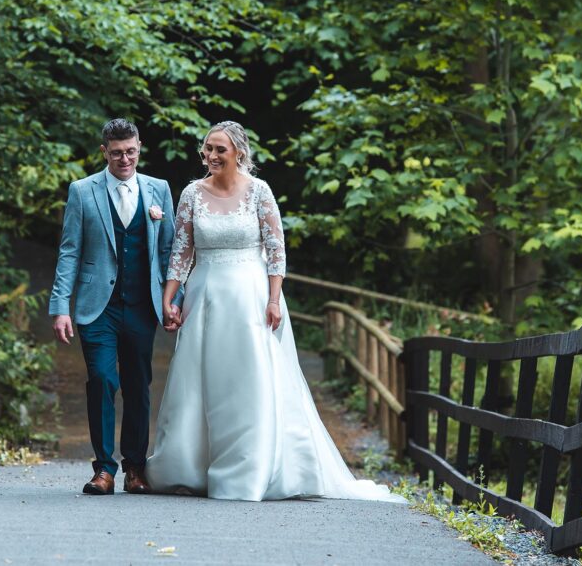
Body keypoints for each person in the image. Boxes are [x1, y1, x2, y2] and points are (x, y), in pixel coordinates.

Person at [146, 121, 405, 502]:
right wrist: (169, 299)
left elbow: (276, 250)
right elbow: (182, 252)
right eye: (207, 148)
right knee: (199, 381)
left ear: (239, 153)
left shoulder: (259, 191)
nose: (211, 155)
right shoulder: (192, 193)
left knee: (247, 378)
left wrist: (273, 299)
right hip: (204, 296)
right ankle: (191, 466)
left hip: (250, 297)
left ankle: (250, 468)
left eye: (219, 149)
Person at [49, 118, 177, 495]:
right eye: (117, 153)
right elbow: (69, 251)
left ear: (140, 148)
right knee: (103, 380)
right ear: (104, 152)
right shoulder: (82, 191)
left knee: (138, 385)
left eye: (131, 152)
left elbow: (169, 251)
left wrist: (174, 301)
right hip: (97, 307)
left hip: (142, 305)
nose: (125, 159)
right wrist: (60, 306)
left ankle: (134, 468)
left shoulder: (159, 189)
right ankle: (103, 469)